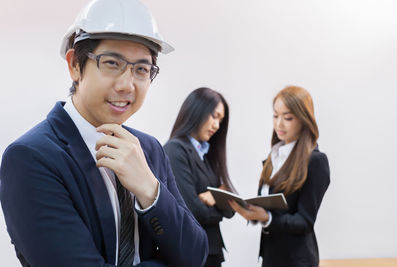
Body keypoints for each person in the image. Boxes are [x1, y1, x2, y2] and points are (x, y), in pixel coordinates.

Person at [0, 0, 208, 266]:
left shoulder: (149, 149)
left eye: (141, 69)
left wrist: (149, 190)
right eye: (111, 63)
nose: (127, 85)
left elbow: (195, 255)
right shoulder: (31, 158)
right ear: (75, 64)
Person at [229, 86, 330, 267]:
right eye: (275, 116)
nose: (279, 124)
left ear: (304, 119)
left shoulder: (315, 161)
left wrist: (267, 218)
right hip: (271, 257)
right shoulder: (274, 156)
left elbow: (305, 221)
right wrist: (250, 212)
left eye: (288, 118)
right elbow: (271, 209)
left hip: (296, 260)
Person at [163, 87, 235, 267]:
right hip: (192, 252)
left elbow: (232, 209)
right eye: (214, 116)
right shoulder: (175, 150)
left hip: (212, 250)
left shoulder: (206, 154)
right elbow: (193, 210)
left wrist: (215, 198)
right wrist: (220, 199)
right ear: (197, 110)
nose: (217, 125)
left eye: (221, 120)